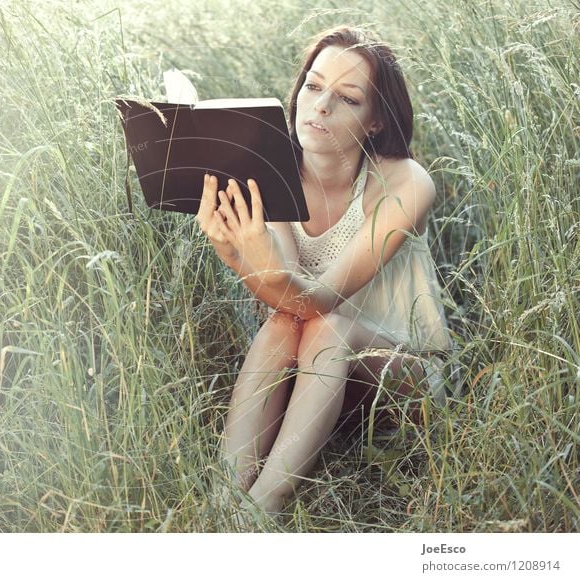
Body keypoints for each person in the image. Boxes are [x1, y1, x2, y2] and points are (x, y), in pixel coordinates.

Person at [195, 26, 454, 522]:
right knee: (283, 323)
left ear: (376, 121)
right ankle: (224, 497)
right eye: (313, 87)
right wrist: (233, 252)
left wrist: (248, 255)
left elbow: (321, 300)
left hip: (404, 380)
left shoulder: (404, 182)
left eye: (347, 97)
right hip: (316, 381)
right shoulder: (274, 177)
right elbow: (286, 300)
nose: (320, 106)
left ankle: (263, 507)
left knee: (326, 325)